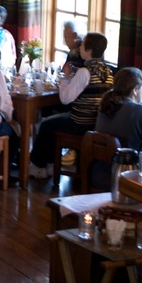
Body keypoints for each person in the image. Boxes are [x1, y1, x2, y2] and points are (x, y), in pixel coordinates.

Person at [28, 32, 114, 178]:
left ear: (89, 50)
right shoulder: (108, 71)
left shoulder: (85, 72)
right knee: (54, 122)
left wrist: (66, 77)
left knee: (46, 125)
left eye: (83, 45)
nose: (80, 47)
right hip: (96, 123)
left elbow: (65, 99)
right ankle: (50, 165)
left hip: (80, 123)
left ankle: (39, 167)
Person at [96, 67, 142, 150]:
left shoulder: (106, 105)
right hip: (130, 158)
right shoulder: (140, 110)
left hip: (103, 158)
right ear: (135, 90)